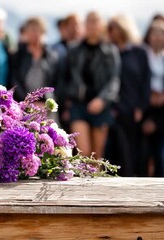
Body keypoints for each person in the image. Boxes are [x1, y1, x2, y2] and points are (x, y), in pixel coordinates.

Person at [65, 11, 120, 159]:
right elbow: (66, 77)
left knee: (97, 157)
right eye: (89, 21)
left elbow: (114, 80)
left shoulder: (110, 51)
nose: (92, 25)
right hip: (78, 105)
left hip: (101, 107)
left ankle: (97, 182)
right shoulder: (74, 50)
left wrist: (102, 100)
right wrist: (67, 101)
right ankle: (84, 183)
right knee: (84, 153)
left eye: (95, 21)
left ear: (102, 25)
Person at [106, 14, 151, 176]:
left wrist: (141, 106)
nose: (110, 32)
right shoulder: (108, 51)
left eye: (114, 28)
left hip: (133, 109)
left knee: (134, 149)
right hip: (113, 108)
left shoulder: (139, 52)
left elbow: (146, 81)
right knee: (116, 149)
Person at [10, 17, 58, 102]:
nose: (35, 34)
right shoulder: (18, 56)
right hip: (23, 104)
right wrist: (26, 101)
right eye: (32, 30)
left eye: (38, 30)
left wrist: (48, 101)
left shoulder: (51, 56)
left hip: (46, 105)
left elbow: (56, 82)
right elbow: (14, 81)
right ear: (26, 33)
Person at [52, 14, 83, 132]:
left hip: (81, 105)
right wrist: (65, 105)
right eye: (71, 25)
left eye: (77, 25)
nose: (75, 29)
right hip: (62, 102)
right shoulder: (56, 50)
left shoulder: (85, 49)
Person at [142, 19, 164, 177]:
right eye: (154, 34)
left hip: (162, 111)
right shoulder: (141, 55)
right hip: (144, 108)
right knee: (143, 153)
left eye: (161, 34)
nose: (157, 38)